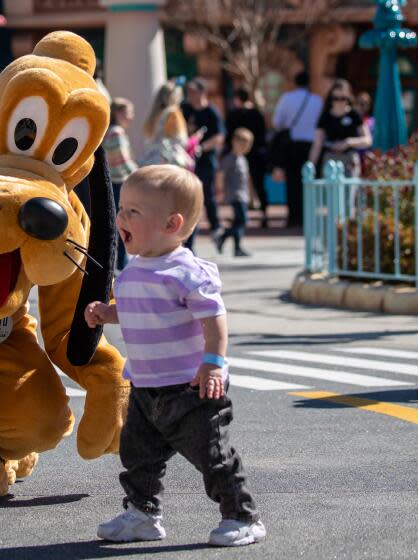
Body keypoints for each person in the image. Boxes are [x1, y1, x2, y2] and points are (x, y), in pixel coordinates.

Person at [85, 164, 265, 547]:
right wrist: (106, 312)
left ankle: (241, 516)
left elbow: (214, 319)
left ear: (172, 224)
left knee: (213, 457)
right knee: (138, 458)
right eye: (122, 207)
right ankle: (142, 514)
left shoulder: (186, 272)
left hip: (191, 387)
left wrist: (213, 364)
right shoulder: (133, 272)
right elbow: (139, 309)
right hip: (146, 387)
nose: (121, 216)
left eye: (134, 211)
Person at [271, 70, 322, 228]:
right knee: (309, 180)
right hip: (311, 146)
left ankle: (293, 217)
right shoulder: (317, 101)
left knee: (292, 183)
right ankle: (308, 216)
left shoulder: (287, 98)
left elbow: (277, 122)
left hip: (291, 144)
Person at [182, 78, 225, 248]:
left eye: (193, 92)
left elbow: (219, 137)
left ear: (202, 93)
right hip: (187, 161)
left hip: (206, 161)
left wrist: (202, 147)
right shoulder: (184, 109)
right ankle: (189, 237)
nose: (190, 95)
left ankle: (216, 228)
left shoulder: (211, 113)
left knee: (206, 194)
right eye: (189, 92)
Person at [308, 78, 372, 178]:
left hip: (349, 159)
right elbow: (317, 145)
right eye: (335, 98)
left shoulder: (354, 115)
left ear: (348, 98)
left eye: (342, 98)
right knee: (330, 191)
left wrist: (348, 142)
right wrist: (310, 166)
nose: (339, 102)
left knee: (348, 191)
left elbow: (368, 140)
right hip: (330, 159)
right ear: (330, 99)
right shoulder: (325, 116)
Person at [225, 88, 268, 227]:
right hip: (255, 153)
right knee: (258, 183)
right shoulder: (256, 114)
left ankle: (239, 214)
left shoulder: (233, 114)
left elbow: (228, 134)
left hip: (240, 153)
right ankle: (263, 213)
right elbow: (263, 134)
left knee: (237, 184)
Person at [103, 97, 138, 270]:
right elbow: (123, 160)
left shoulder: (111, 131)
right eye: (128, 112)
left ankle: (120, 263)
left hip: (115, 183)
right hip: (119, 184)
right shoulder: (116, 132)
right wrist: (139, 174)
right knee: (123, 225)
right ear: (118, 113)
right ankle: (122, 265)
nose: (131, 116)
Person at [216, 127, 254, 257]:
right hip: (234, 194)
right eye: (242, 142)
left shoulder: (243, 159)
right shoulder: (229, 159)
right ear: (234, 142)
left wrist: (252, 195)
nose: (244, 146)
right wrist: (220, 191)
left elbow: (247, 179)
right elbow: (220, 175)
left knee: (239, 221)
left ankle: (235, 246)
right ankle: (224, 236)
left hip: (243, 194)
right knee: (242, 220)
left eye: (247, 143)